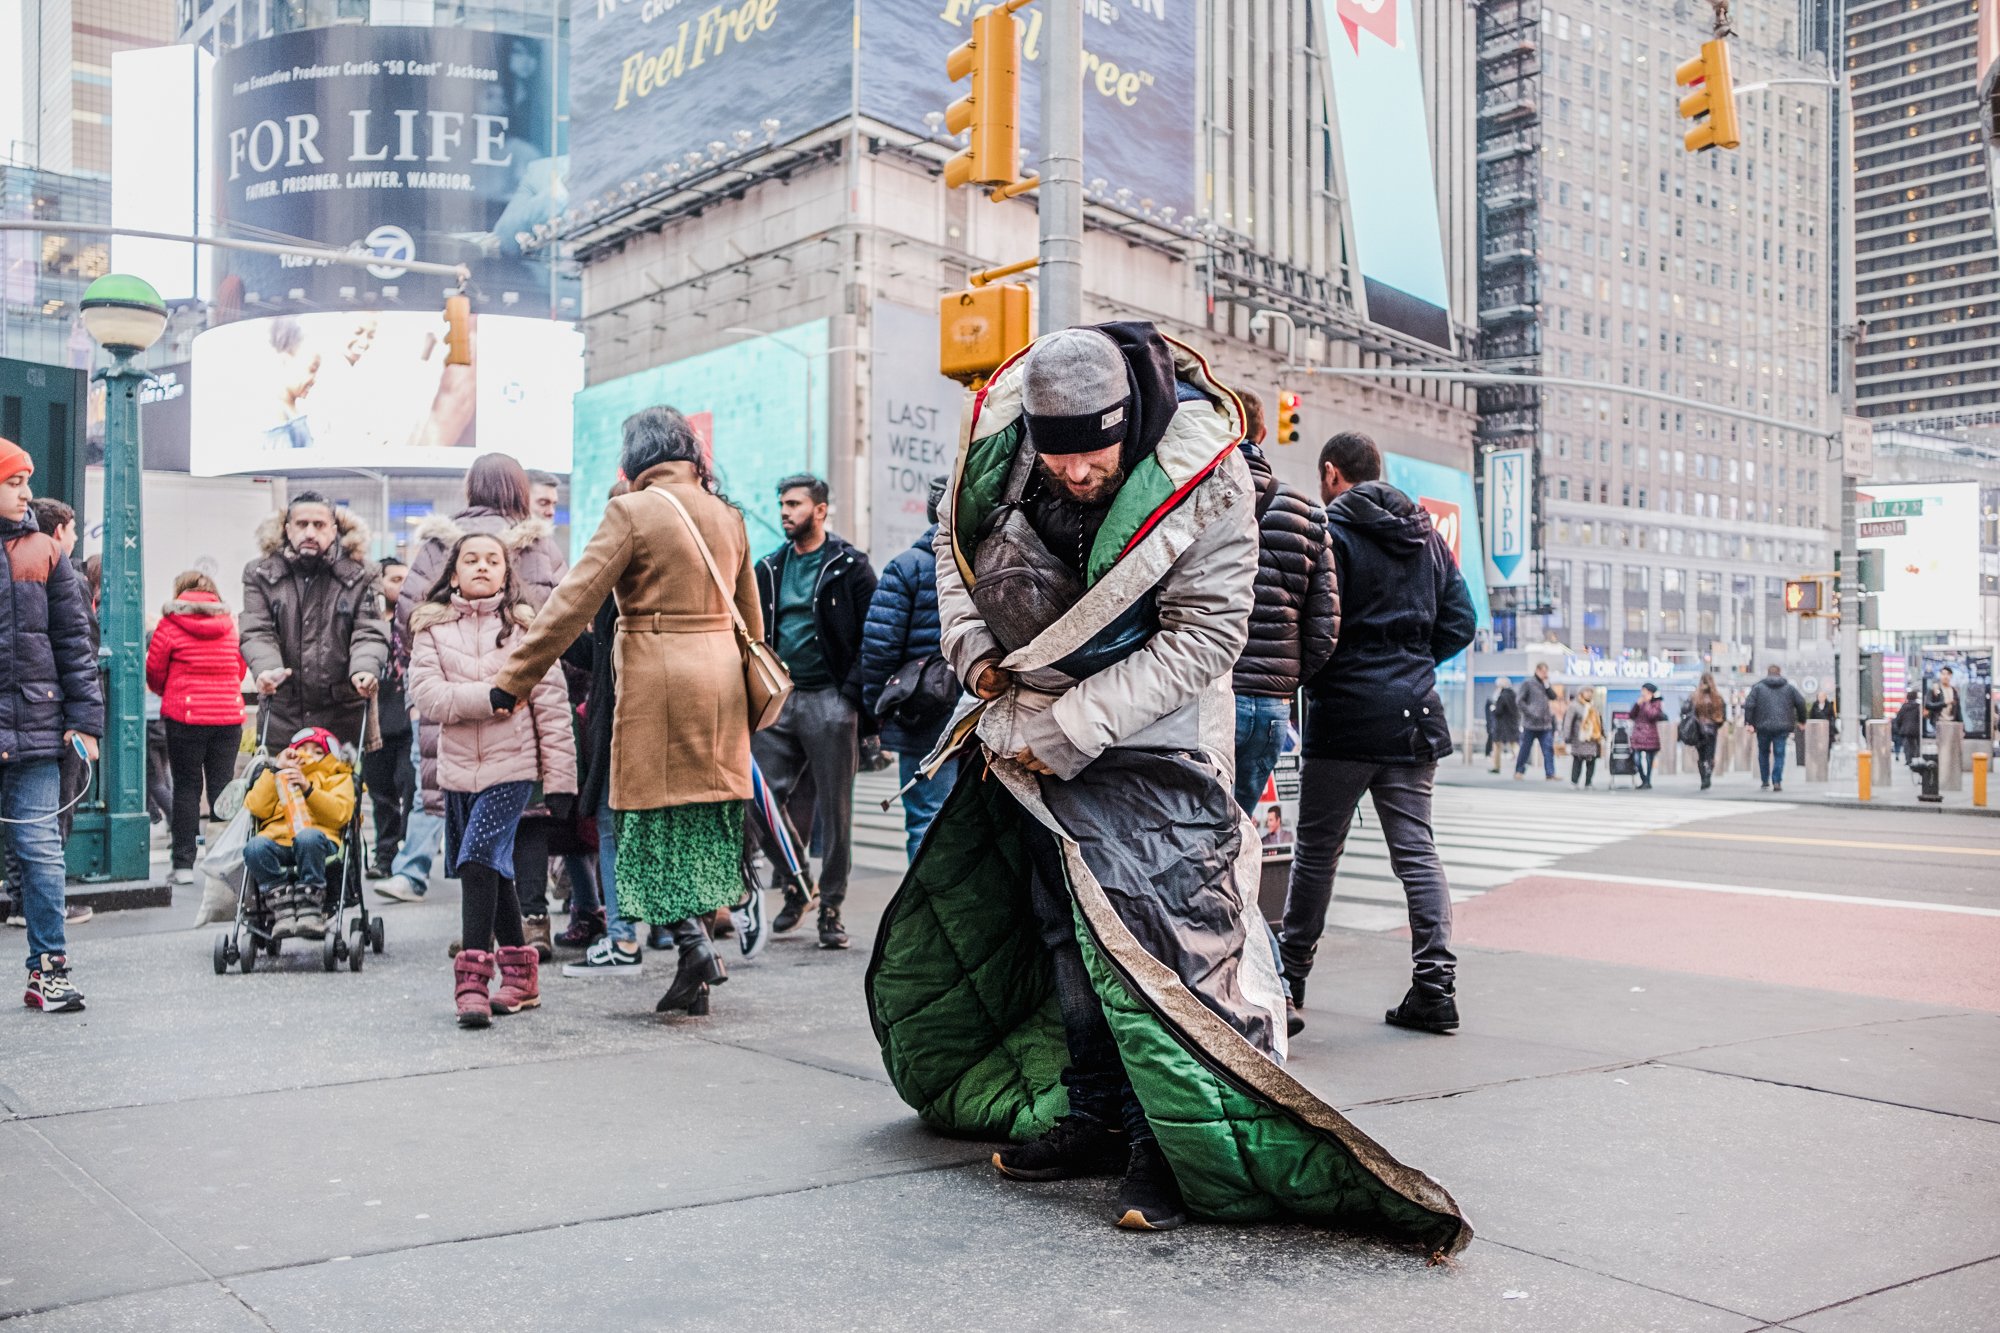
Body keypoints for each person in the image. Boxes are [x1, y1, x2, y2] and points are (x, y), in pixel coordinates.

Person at [865, 325, 1468, 1248]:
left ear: (1133, 422)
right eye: (1058, 460)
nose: (1074, 476)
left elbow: (1204, 638)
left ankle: (1167, 1142)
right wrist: (975, 652)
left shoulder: (1212, 479)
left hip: (1155, 743)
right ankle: (1097, 1111)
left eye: (1093, 457)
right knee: (1062, 926)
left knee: (1164, 944)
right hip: (1027, 732)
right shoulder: (1005, 449)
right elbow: (953, 554)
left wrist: (1068, 725)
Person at [496, 407, 761, 1016]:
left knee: (640, 822)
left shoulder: (633, 511)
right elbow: (752, 618)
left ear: (636, 459)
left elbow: (570, 604)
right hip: (720, 683)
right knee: (696, 823)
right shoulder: (729, 516)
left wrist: (515, 677)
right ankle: (693, 971)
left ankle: (695, 946)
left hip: (658, 682)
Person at [1281, 429, 1477, 1039]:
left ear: (1333, 472)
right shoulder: (1428, 538)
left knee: (1316, 854)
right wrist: (1413, 663)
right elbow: (1461, 622)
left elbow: (1312, 623)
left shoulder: (1328, 532)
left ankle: (1290, 979)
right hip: (1414, 717)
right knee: (1417, 853)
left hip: (1343, 715)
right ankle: (1435, 988)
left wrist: (1324, 673)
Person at [380, 454, 566, 939]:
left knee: (465, 812)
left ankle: (478, 935)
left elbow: (407, 615)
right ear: (519, 489)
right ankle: (533, 920)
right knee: (529, 816)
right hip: (526, 701)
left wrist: (435, 664)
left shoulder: (441, 542)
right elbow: (565, 615)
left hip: (451, 698)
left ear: (470, 488)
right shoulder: (540, 543)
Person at [407, 533, 577, 1028]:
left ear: (507, 572)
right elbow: (428, 696)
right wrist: (493, 697)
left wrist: (562, 781)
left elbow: (550, 705)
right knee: (496, 870)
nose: (482, 567)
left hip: (514, 768)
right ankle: (522, 978)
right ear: (453, 572)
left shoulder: (528, 626)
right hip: (459, 771)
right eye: (470, 559)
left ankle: (473, 981)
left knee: (479, 857)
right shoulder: (431, 628)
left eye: (493, 560)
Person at [752, 473, 878, 948]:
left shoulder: (850, 566)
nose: (785, 511)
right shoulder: (769, 566)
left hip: (830, 700)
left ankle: (832, 908)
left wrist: (851, 696)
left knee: (836, 812)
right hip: (780, 700)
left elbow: (874, 635)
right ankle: (799, 883)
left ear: (820, 511)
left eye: (794, 504)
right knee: (756, 797)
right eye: (781, 503)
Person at [0, 440, 102, 1012]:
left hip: (36, 730)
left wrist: (84, 722)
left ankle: (49, 969)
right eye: (15, 481)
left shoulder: (45, 551)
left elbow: (75, 642)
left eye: (28, 480)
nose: (27, 492)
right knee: (39, 848)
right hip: (31, 722)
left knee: (40, 849)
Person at [1226, 390, 1338, 813]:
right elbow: (1325, 629)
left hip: (1209, 696)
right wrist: (1287, 678)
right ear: (1264, 433)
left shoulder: (1190, 499)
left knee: (1190, 836)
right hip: (1272, 707)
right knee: (1237, 832)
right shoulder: (1307, 512)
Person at [859, 476, 960, 858]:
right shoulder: (986, 560)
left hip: (924, 713)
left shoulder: (906, 567)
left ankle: (923, 912)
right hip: (982, 710)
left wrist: (878, 714)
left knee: (924, 818)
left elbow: (879, 650)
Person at [239, 492, 387, 747]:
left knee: (338, 786)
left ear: (334, 529)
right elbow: (257, 630)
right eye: (301, 524)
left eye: (318, 525)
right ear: (287, 528)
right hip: (282, 713)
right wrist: (267, 669)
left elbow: (370, 630)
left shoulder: (364, 574)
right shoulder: (260, 573)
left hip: (342, 717)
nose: (309, 532)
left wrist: (364, 669)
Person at [146, 572, 248, 887]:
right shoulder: (230, 625)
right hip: (228, 717)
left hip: (185, 717)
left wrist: (172, 691)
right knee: (222, 787)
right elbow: (240, 669)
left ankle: (184, 866)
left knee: (187, 788)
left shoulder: (170, 624)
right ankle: (223, 861)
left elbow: (154, 671)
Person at [242, 727, 354, 940]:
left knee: (307, 837)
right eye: (303, 749)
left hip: (319, 839)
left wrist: (308, 789)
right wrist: (275, 770)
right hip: (278, 838)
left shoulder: (338, 776)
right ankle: (279, 898)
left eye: (317, 751)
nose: (309, 755)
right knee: (254, 847)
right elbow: (256, 807)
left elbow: (340, 814)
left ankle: (310, 901)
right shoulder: (278, 773)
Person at [361, 558, 415, 877]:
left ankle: (406, 852)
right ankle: (385, 855)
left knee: (409, 786)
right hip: (374, 720)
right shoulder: (366, 624)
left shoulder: (413, 622)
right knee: (381, 793)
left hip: (408, 718)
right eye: (396, 579)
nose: (404, 586)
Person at [1743, 662, 1808, 792]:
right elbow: (1801, 702)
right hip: (1782, 726)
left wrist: (1749, 723)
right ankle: (1777, 781)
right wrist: (1802, 720)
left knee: (1763, 753)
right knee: (1779, 754)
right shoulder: (1789, 688)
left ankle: (1765, 780)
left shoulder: (1758, 687)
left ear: (1768, 673)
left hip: (1762, 726)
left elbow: (1749, 704)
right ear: (1779, 673)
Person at [1514, 662, 1558, 780]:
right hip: (1530, 724)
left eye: (1546, 672)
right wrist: (1530, 712)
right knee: (1525, 749)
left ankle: (1550, 773)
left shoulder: (1545, 684)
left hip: (1545, 724)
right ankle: (1519, 771)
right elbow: (1519, 701)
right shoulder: (1528, 683)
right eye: (1543, 672)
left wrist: (1547, 685)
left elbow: (1553, 697)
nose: (1545, 674)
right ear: (1537, 670)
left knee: (1548, 749)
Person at [1684, 671, 1727, 789]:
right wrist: (1715, 725)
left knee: (1701, 755)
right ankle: (1707, 776)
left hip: (1698, 730)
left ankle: (1703, 777)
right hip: (1712, 730)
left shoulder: (1695, 697)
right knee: (1710, 755)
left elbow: (1686, 710)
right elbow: (1723, 715)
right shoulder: (1717, 697)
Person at [1628, 683, 1665, 789]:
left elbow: (1652, 715)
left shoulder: (1656, 703)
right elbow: (1631, 715)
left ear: (1651, 692)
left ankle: (1647, 781)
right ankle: (1643, 779)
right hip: (1638, 735)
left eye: (1645, 691)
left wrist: (1647, 703)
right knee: (1636, 759)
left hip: (1650, 735)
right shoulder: (1640, 702)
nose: (1643, 693)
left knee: (1649, 760)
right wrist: (1637, 704)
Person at [1565, 686, 1604, 787]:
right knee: (1578, 761)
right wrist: (1567, 737)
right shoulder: (1574, 706)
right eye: (1587, 691)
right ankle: (1574, 781)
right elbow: (1568, 722)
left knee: (1591, 761)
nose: (1589, 693)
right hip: (1579, 739)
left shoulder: (1593, 706)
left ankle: (1588, 782)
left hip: (1592, 739)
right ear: (1581, 693)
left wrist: (1603, 735)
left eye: (1591, 691)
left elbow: (1599, 722)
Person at [1488, 677, 1520, 774]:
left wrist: (1493, 709)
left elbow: (1498, 711)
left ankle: (1496, 766)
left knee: (1497, 745)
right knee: (1514, 744)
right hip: (1512, 723)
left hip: (1502, 725)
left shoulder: (1502, 696)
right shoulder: (1514, 694)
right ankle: (1521, 764)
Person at [1893, 688, 1924, 767]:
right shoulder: (1919, 707)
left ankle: (1908, 760)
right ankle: (1916, 757)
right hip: (1917, 729)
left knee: (1907, 745)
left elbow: (1898, 718)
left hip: (1906, 729)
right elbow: (1922, 718)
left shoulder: (1904, 707)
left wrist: (1899, 728)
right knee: (1917, 744)